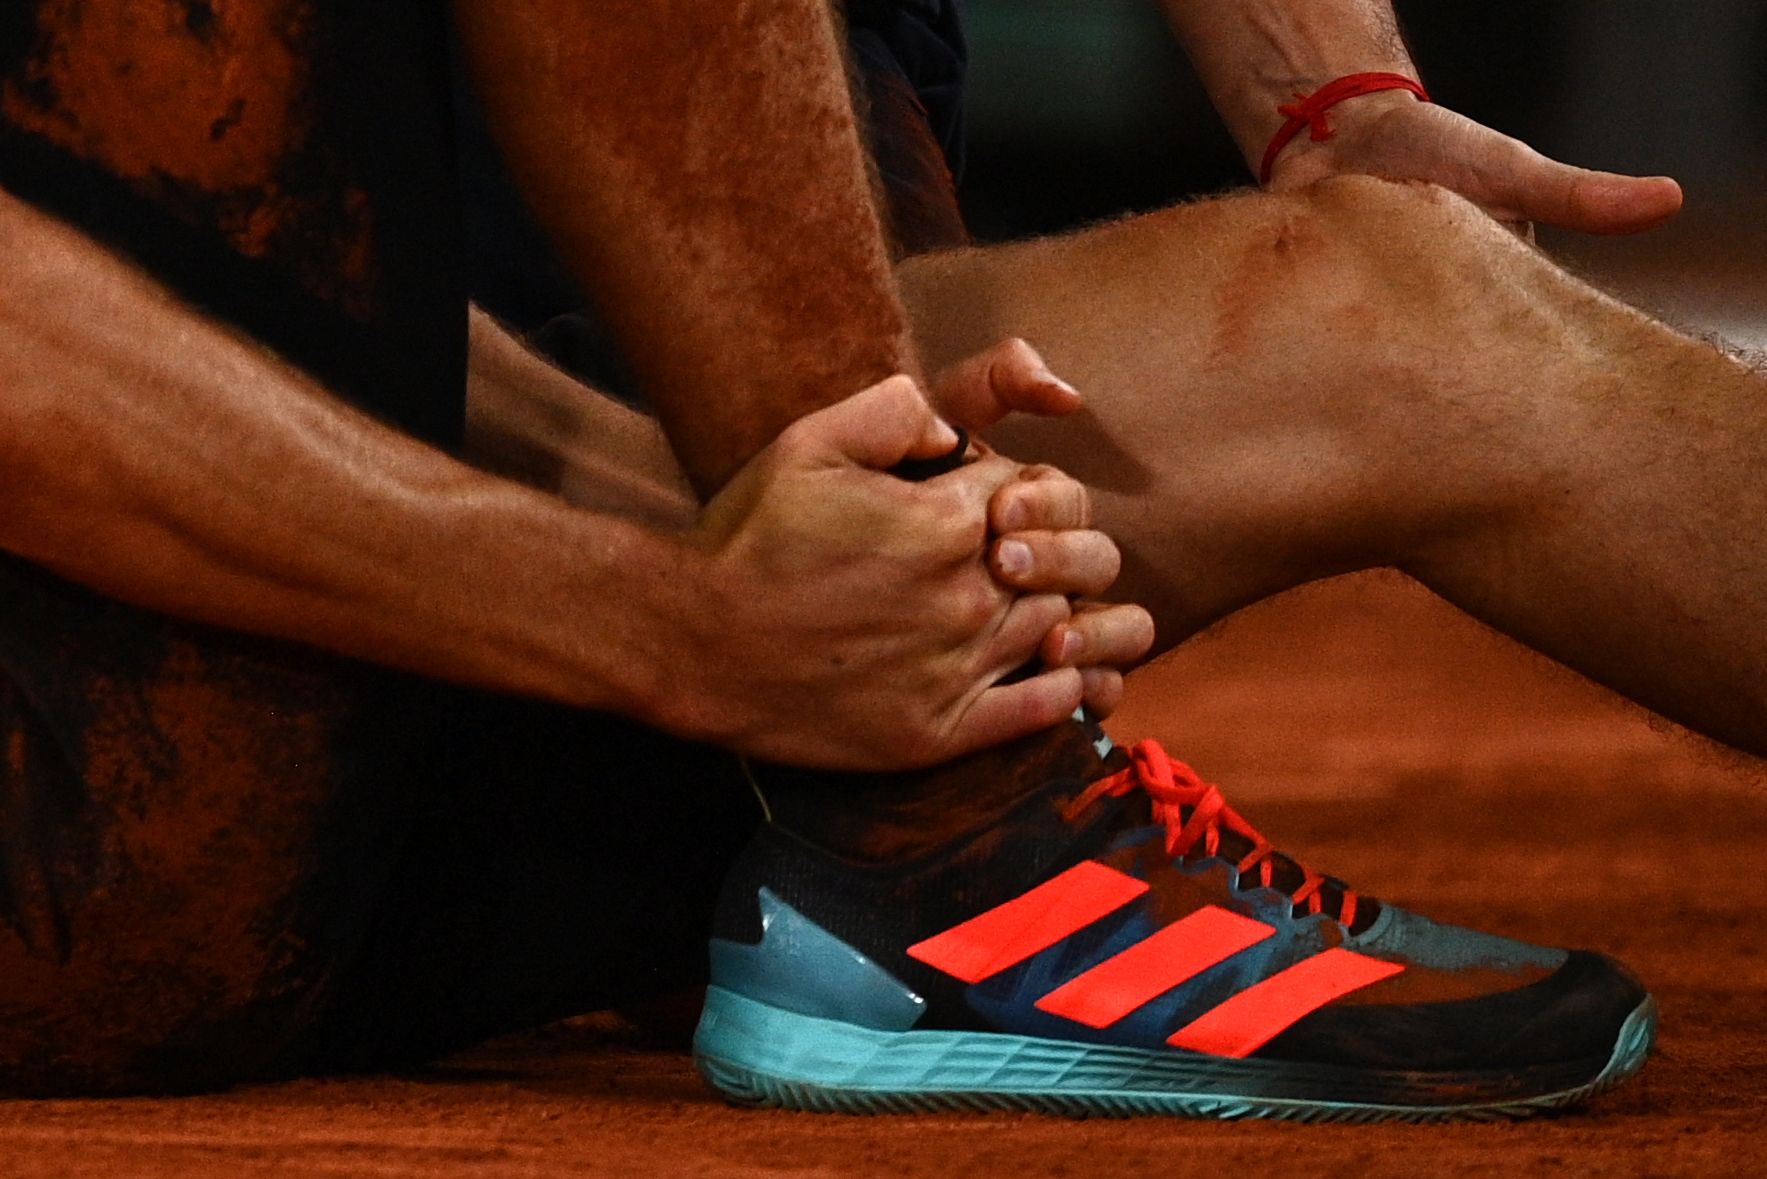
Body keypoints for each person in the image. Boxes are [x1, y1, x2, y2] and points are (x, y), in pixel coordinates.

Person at [0, 0, 1732, 1121]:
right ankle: (946, 834)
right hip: (98, 811)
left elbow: (319, 305)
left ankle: (903, 796)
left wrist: (1332, 96)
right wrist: (669, 617)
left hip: (573, 671)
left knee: (1407, 316)